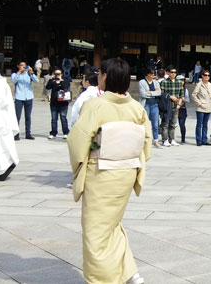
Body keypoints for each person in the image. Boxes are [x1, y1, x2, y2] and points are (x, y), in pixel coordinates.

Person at [67, 58, 152, 284]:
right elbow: (147, 142)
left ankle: (102, 280)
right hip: (127, 172)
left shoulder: (96, 105)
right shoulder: (136, 108)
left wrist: (87, 157)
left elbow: (78, 141)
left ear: (104, 76)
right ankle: (128, 272)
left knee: (95, 230)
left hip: (102, 173)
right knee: (111, 222)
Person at [0, 53, 19, 181]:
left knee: (1, 145)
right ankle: (6, 166)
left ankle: (7, 165)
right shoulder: (1, 83)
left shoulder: (1, 83)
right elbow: (7, 104)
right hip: (1, 117)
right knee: (3, 144)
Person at [12, 61, 39, 140]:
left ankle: (28, 133)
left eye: (24, 66)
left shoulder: (29, 74)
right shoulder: (15, 74)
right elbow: (14, 81)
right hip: (19, 97)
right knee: (17, 116)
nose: (23, 67)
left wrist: (32, 72)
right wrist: (19, 72)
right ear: (18, 66)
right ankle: (16, 134)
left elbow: (36, 81)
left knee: (28, 116)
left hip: (29, 96)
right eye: (21, 65)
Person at [139, 68, 163, 148]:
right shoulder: (142, 82)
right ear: (147, 74)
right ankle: (144, 140)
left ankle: (156, 140)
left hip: (154, 104)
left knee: (155, 123)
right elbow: (143, 94)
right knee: (144, 123)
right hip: (146, 104)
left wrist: (150, 92)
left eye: (154, 73)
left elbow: (159, 93)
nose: (153, 75)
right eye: (152, 73)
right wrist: (154, 93)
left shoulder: (156, 82)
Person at [191, 70, 211, 146]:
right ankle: (199, 140)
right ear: (202, 75)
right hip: (201, 107)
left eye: (208, 75)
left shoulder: (210, 85)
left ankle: (204, 140)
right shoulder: (199, 85)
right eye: (205, 75)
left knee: (205, 124)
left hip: (208, 106)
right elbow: (193, 95)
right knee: (199, 124)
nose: (207, 77)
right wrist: (199, 103)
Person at [159, 66, 182, 147]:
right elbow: (161, 93)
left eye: (175, 72)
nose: (173, 74)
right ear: (168, 72)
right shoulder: (164, 82)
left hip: (176, 106)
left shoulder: (179, 82)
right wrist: (170, 96)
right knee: (165, 123)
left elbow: (181, 95)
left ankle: (172, 139)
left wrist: (179, 104)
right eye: (171, 72)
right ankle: (164, 139)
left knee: (173, 124)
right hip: (166, 106)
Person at [46, 67, 71, 139]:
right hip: (54, 102)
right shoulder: (52, 81)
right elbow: (47, 87)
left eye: (58, 74)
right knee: (54, 119)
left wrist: (61, 81)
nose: (57, 75)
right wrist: (51, 79)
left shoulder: (65, 80)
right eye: (56, 74)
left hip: (63, 103)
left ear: (62, 74)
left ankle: (66, 132)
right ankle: (53, 133)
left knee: (63, 118)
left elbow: (65, 88)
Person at [176, 75, 190, 144]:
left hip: (182, 108)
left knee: (182, 124)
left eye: (183, 80)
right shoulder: (174, 88)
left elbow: (188, 100)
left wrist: (184, 100)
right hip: (174, 107)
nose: (182, 82)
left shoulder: (185, 90)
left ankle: (183, 139)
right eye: (180, 80)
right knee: (171, 124)